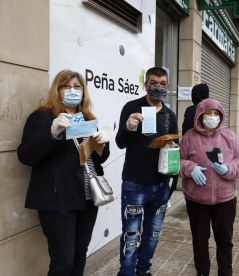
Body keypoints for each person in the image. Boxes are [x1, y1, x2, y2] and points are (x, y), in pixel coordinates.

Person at [17, 70, 110, 276]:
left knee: (79, 255)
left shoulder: (87, 118)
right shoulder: (42, 116)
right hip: (57, 199)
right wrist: (53, 132)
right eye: (65, 86)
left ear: (84, 91)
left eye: (77, 86)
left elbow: (97, 159)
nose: (72, 90)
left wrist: (104, 144)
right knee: (63, 260)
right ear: (57, 90)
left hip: (87, 197)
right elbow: (25, 155)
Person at [115, 67, 178, 276]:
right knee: (131, 237)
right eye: (153, 83)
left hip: (160, 186)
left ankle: (143, 271)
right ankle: (126, 273)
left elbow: (174, 151)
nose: (158, 87)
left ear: (167, 86)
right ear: (146, 85)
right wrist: (128, 128)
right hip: (134, 184)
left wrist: (170, 185)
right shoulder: (132, 108)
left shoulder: (170, 115)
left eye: (162, 83)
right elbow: (120, 143)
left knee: (152, 236)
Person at [179, 98, 239, 276]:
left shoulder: (229, 136)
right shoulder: (189, 137)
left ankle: (225, 273)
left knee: (225, 240)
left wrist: (228, 169)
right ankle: (202, 272)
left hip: (225, 199)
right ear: (200, 116)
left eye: (215, 113)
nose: (212, 117)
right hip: (196, 199)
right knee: (200, 241)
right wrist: (190, 168)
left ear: (221, 116)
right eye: (208, 113)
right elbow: (177, 162)